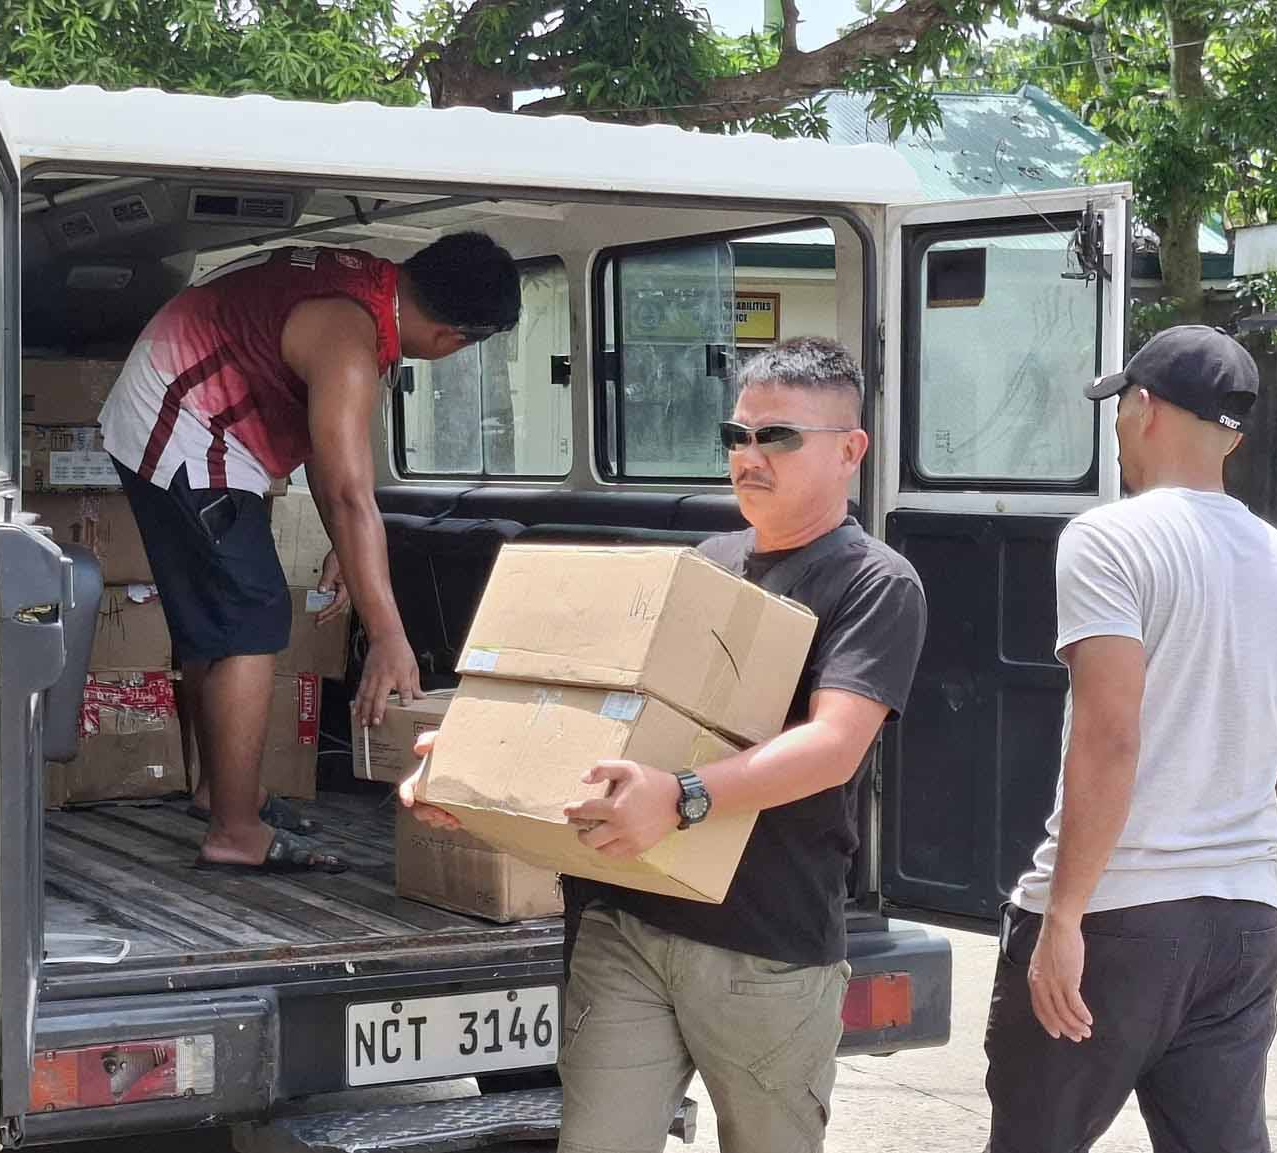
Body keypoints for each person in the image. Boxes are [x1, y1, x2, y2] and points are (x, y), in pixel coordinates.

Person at [406, 336, 928, 1153]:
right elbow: (608, 712)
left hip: (764, 946)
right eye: (736, 435)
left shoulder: (875, 582)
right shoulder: (705, 562)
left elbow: (833, 744)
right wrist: (475, 765)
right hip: (628, 924)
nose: (749, 456)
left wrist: (682, 795)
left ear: (850, 451)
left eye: (778, 436)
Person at [982, 325, 1277, 1152]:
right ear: (1232, 435)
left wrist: (1065, 915)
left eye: (1120, 408)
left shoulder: (1110, 538)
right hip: (1244, 922)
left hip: (1118, 918)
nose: (1117, 427)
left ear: (1144, 407)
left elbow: (1110, 736)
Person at [99, 233, 520, 874]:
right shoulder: (350, 338)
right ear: (453, 340)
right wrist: (389, 638)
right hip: (182, 420)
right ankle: (235, 831)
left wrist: (342, 549)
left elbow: (331, 457)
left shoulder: (366, 292)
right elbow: (351, 494)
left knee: (224, 618)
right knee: (249, 617)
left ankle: (223, 793)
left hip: (183, 413)